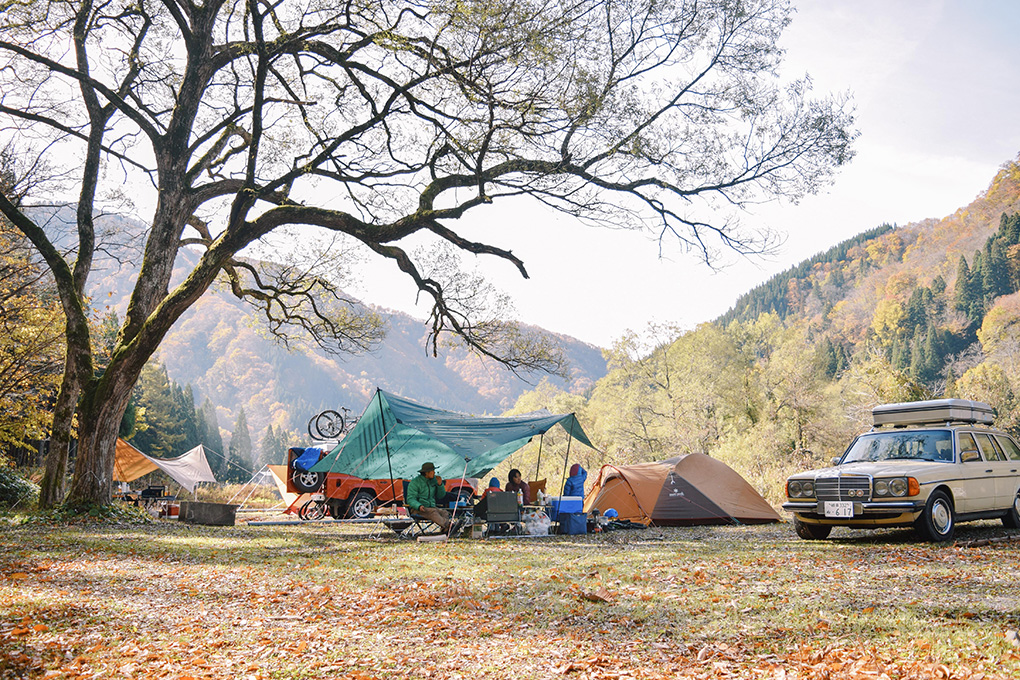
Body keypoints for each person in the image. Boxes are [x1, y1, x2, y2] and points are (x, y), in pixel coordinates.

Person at [406, 461, 454, 532]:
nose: (434, 473)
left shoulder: (433, 480)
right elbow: (410, 499)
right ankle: (449, 525)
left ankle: (445, 529)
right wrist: (418, 506)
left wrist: (440, 485)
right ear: (426, 473)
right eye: (433, 471)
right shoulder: (415, 482)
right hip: (418, 509)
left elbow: (441, 496)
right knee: (433, 512)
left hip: (431, 507)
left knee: (444, 512)